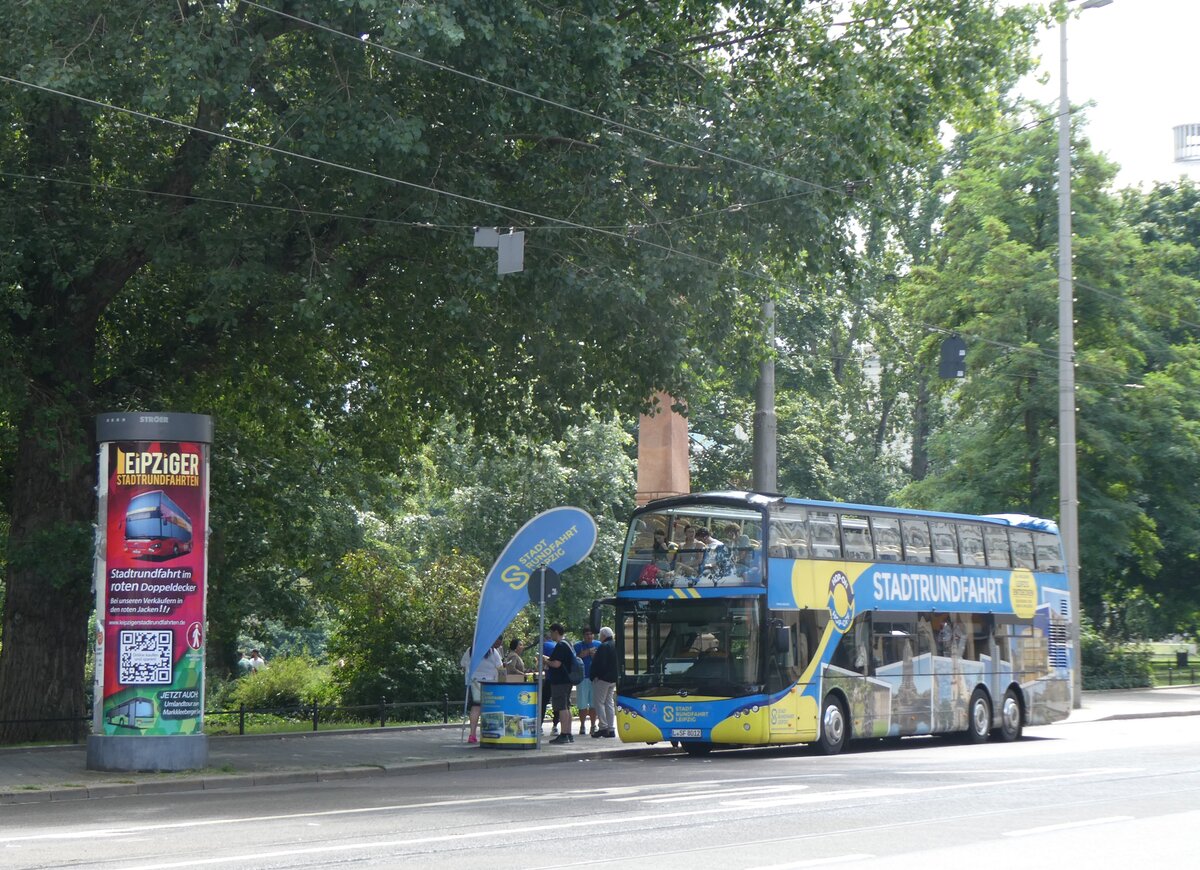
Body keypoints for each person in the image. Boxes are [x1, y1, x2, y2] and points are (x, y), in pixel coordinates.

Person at [459, 637, 503, 744]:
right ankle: (490, 733)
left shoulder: (470, 651)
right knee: (490, 708)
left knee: (475, 708)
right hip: (490, 684)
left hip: (474, 683)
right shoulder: (493, 652)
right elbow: (500, 668)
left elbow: (463, 665)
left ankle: (472, 734)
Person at [543, 623, 575, 744]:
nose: (551, 635)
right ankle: (568, 733)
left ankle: (564, 734)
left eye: (551, 632)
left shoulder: (560, 645)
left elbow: (556, 663)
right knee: (566, 706)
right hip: (567, 680)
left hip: (560, 681)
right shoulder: (568, 644)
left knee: (561, 707)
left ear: (556, 632)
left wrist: (545, 660)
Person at [590, 626, 618, 738]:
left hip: (603, 679)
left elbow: (599, 664)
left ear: (604, 636)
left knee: (599, 703)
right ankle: (611, 729)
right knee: (609, 703)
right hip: (613, 678)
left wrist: (595, 676)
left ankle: (603, 727)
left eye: (600, 635)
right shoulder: (616, 645)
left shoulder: (603, 646)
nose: (599, 638)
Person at [574, 627, 601, 735]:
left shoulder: (599, 645)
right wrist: (586, 652)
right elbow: (574, 658)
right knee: (582, 704)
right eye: (587, 634)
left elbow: (602, 659)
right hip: (582, 678)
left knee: (594, 703)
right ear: (583, 636)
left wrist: (595, 656)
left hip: (594, 678)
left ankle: (593, 725)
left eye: (591, 634)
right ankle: (582, 725)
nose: (589, 636)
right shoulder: (577, 646)